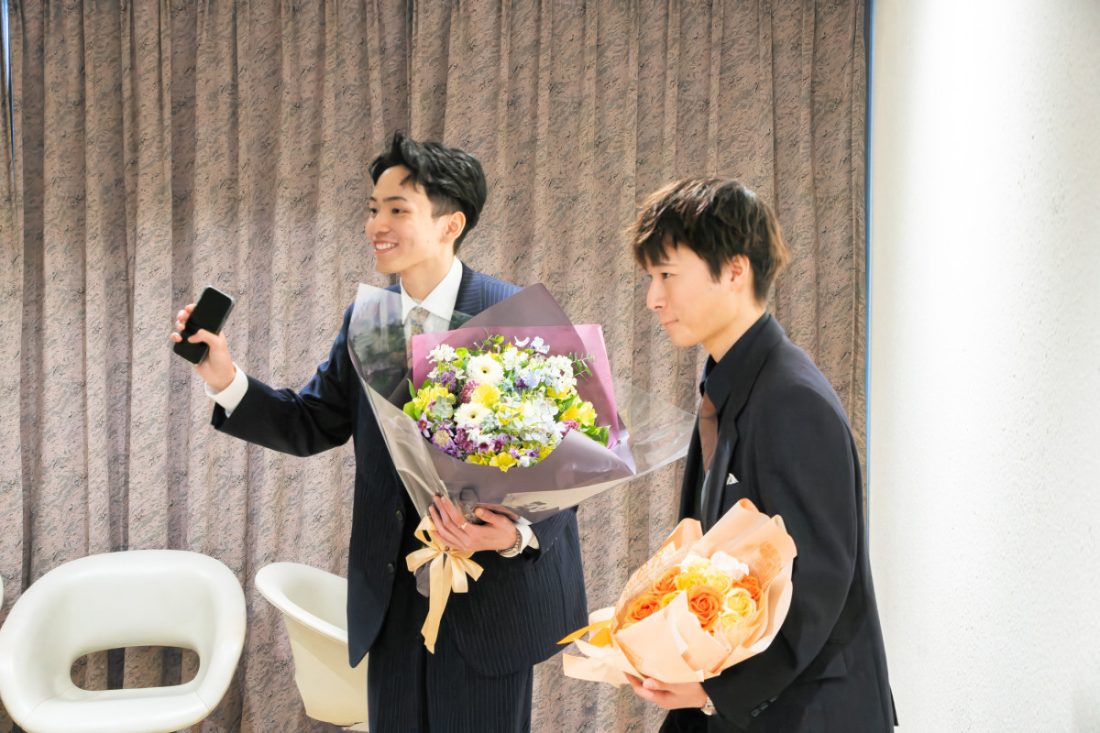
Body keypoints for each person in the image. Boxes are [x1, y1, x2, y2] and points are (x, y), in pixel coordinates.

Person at [171, 132, 586, 733]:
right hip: (390, 599)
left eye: (397, 209)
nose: (376, 226)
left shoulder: (516, 316)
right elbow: (312, 422)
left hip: (488, 600)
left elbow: (569, 462)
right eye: (372, 209)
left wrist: (511, 536)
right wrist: (224, 377)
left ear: (450, 224)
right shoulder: (370, 319)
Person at [626, 178, 895, 731]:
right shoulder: (730, 381)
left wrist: (714, 692)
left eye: (667, 275)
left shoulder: (791, 397)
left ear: (734, 270)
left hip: (808, 712)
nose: (654, 298)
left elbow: (819, 581)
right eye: (652, 278)